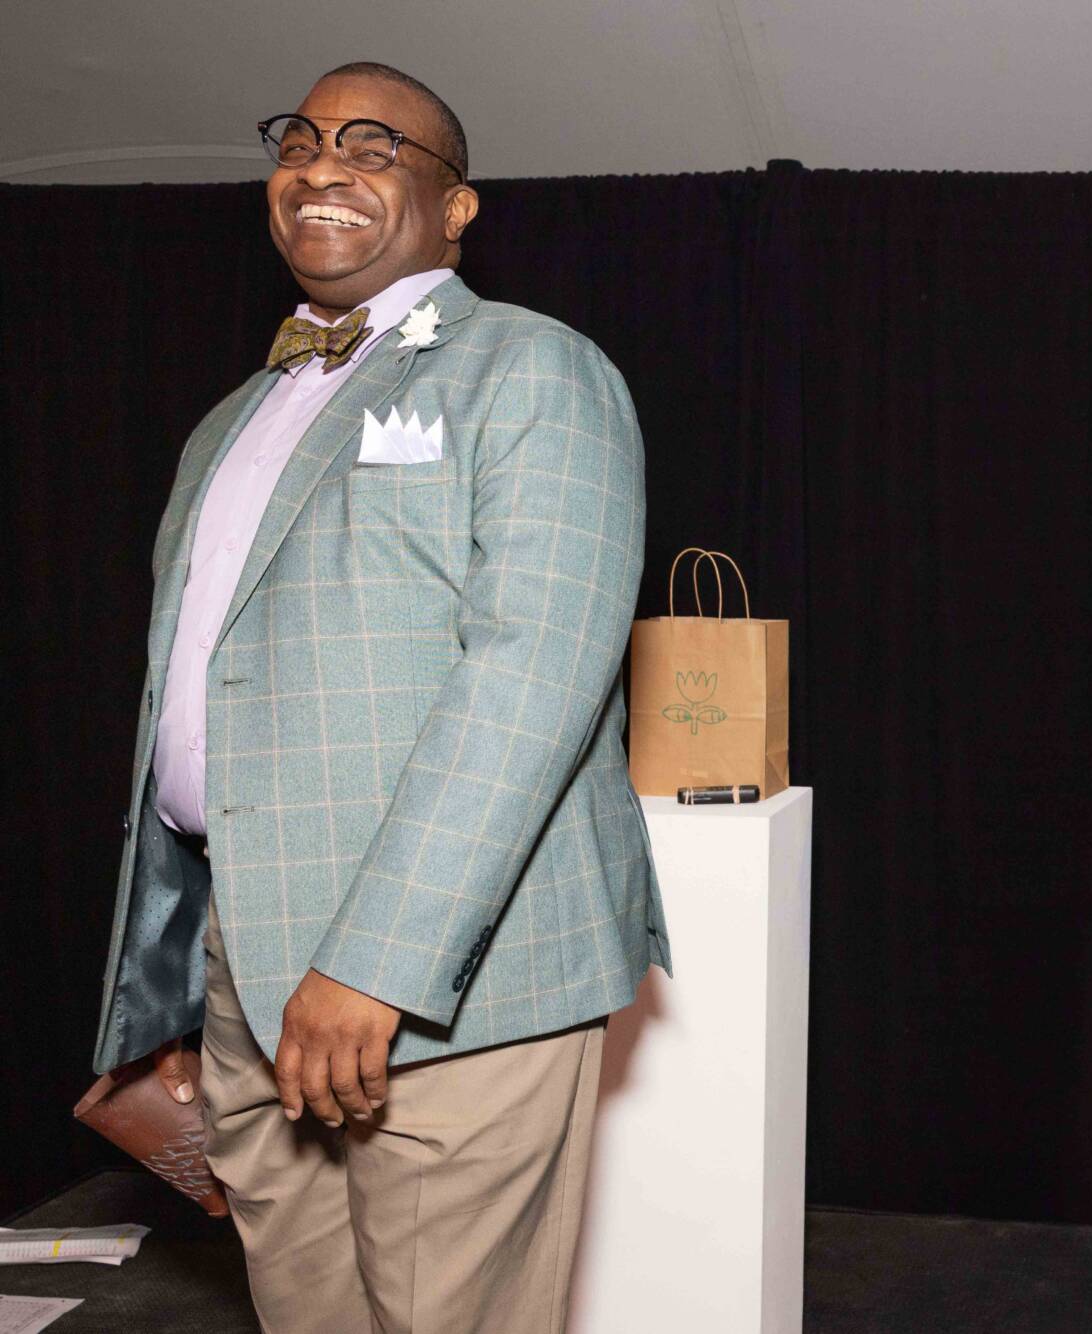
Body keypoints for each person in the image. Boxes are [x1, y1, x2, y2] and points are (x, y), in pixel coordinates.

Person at [91, 62, 668, 1333]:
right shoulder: (230, 419)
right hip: (243, 962)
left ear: (454, 207)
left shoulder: (531, 365)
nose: (321, 165)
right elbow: (203, 688)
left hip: (447, 974)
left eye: (372, 145)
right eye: (298, 140)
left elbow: (535, 673)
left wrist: (375, 960)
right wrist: (184, 969)